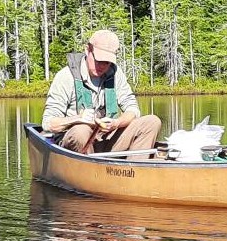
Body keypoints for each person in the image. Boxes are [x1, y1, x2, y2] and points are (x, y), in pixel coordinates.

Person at [43, 29, 161, 158]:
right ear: (87, 50)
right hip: (77, 143)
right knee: (80, 131)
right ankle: (89, 171)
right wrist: (78, 119)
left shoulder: (115, 74)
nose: (103, 66)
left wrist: (117, 123)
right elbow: (48, 123)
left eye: (107, 62)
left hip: (107, 138)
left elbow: (132, 109)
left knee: (152, 122)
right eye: (98, 60)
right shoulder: (65, 77)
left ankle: (136, 170)